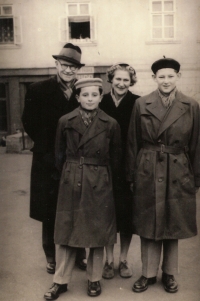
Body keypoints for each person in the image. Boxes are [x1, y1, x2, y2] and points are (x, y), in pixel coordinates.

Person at [126, 57, 200, 293]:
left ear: (178, 77)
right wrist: (131, 175)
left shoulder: (191, 105)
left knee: (173, 221)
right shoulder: (142, 104)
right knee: (149, 222)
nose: (166, 81)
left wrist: (196, 177)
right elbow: (132, 142)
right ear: (154, 78)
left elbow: (197, 143)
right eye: (161, 76)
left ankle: (169, 274)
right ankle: (147, 274)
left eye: (170, 76)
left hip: (178, 169)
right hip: (148, 167)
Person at [44, 78, 121, 300]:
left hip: (99, 181)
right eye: (85, 95)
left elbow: (115, 158)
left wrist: (105, 181)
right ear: (77, 98)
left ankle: (94, 278)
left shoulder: (111, 124)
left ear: (100, 97)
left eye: (94, 95)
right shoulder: (65, 121)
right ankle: (60, 281)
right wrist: (69, 175)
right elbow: (59, 155)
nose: (90, 99)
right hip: (71, 178)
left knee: (96, 231)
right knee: (66, 231)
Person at [22, 43, 87, 274]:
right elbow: (28, 122)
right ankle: (51, 256)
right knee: (50, 209)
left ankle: (80, 253)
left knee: (77, 207)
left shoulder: (82, 91)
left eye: (74, 67)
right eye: (65, 65)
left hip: (75, 159)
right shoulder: (38, 90)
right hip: (47, 158)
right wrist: (49, 149)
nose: (69, 70)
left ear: (78, 69)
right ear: (57, 64)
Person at [99, 63, 140, 279]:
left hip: (128, 166)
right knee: (106, 213)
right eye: (118, 79)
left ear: (131, 82)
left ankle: (123, 259)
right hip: (103, 166)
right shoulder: (101, 101)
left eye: (126, 80)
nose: (121, 83)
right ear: (111, 80)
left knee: (125, 215)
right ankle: (108, 260)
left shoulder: (137, 102)